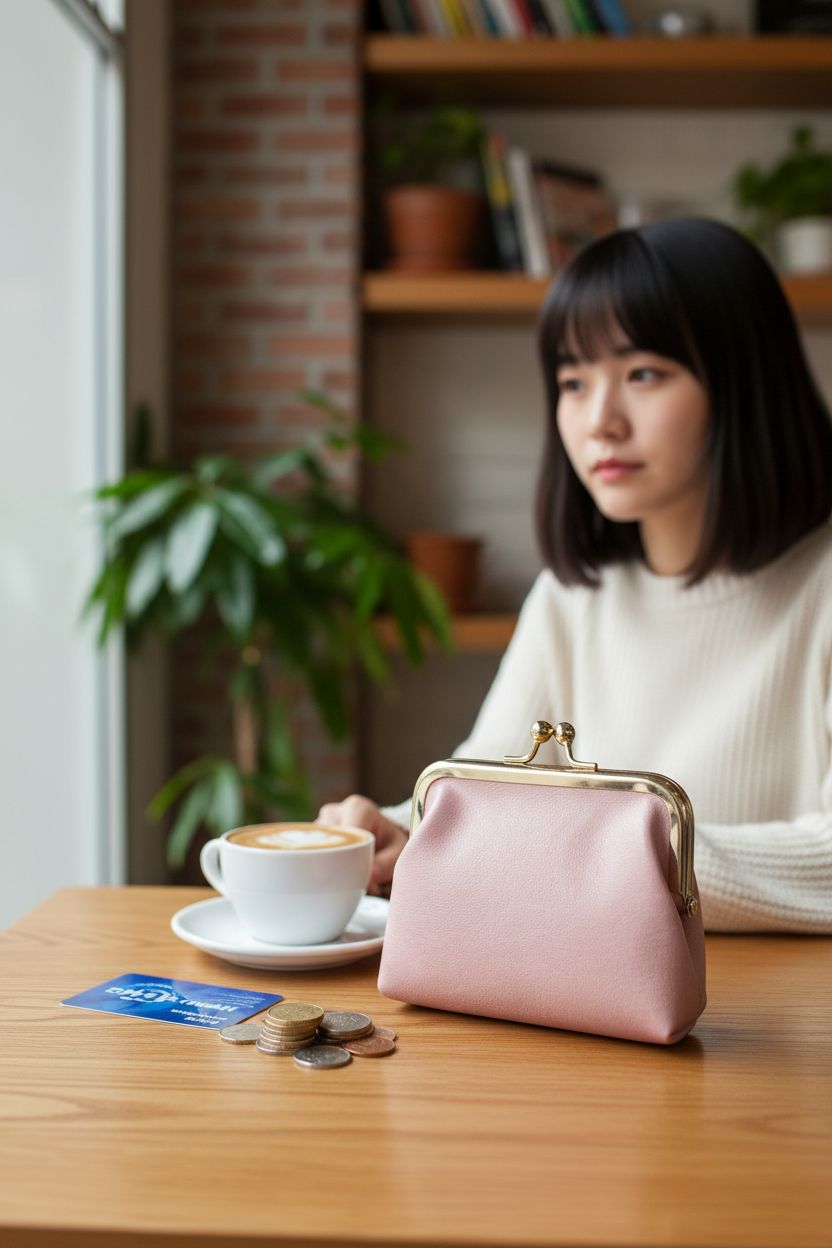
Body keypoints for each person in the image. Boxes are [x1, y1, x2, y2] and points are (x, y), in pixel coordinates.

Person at [318, 216, 832, 932]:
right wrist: (396, 830)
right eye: (572, 380)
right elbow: (481, 791)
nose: (600, 421)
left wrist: (591, 848)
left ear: (744, 382)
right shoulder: (574, 596)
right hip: (588, 1002)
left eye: (643, 373)